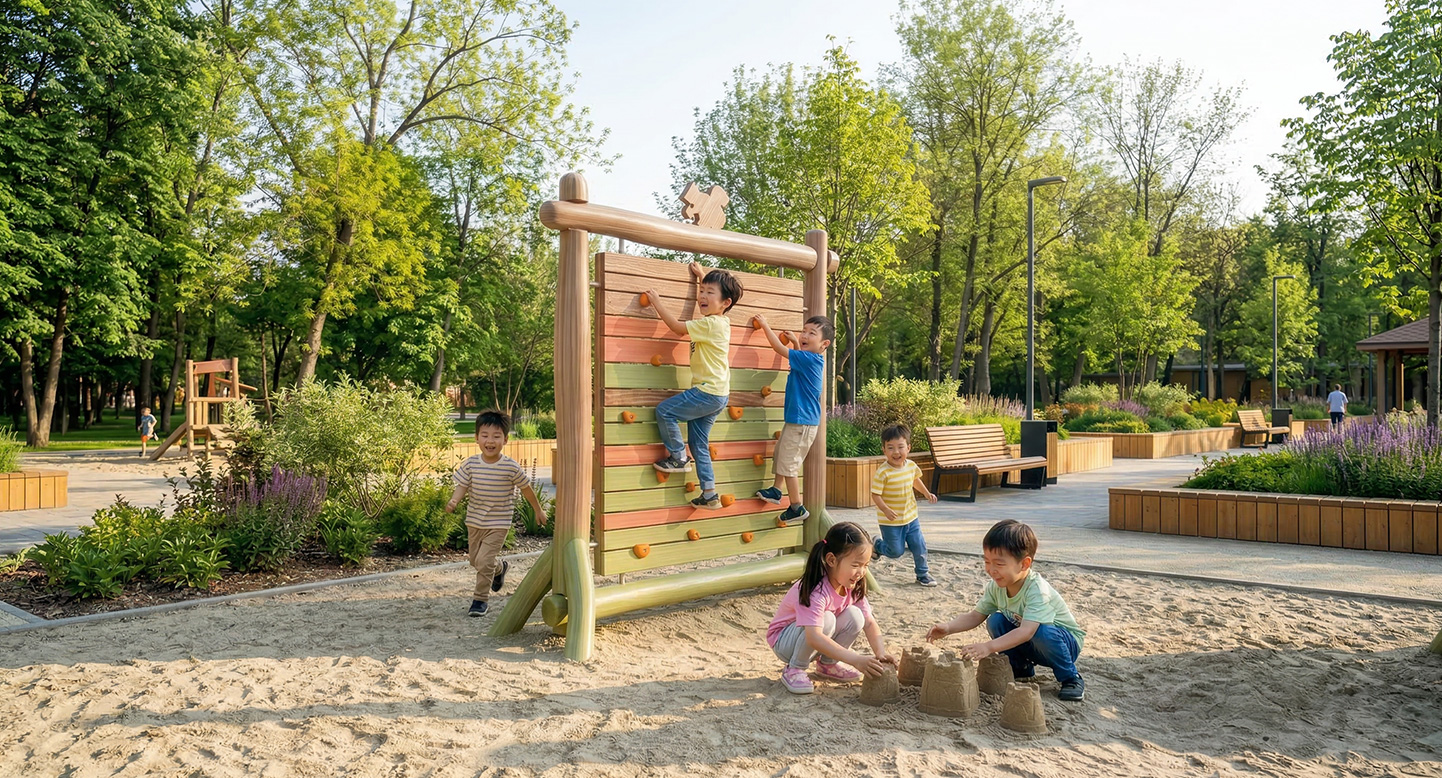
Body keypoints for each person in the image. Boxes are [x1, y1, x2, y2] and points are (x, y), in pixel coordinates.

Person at [926, 519, 1087, 701]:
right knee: (996, 620)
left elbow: (1027, 632)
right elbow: (976, 615)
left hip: (1064, 644)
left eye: (999, 564)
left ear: (1024, 564)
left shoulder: (1037, 590)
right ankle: (1020, 668)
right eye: (987, 562)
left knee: (1042, 631)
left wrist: (988, 647)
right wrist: (948, 628)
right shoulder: (997, 586)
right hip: (1034, 643)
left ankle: (1071, 677)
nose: (991, 570)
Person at [643, 264, 744, 510]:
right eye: (702, 291)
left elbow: (678, 329)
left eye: (710, 293)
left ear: (726, 302)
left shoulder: (711, 324)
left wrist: (656, 302)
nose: (702, 297)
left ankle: (678, 457)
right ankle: (709, 493)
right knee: (699, 444)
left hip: (707, 392)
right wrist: (701, 278)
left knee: (665, 411)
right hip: (718, 394)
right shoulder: (719, 322)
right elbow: (709, 300)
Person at [765, 521, 895, 694]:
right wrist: (856, 659)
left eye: (865, 566)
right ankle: (795, 668)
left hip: (811, 636)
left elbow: (869, 622)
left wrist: (880, 653)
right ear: (832, 560)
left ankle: (828, 665)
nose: (861, 572)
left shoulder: (851, 585)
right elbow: (814, 637)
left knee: (856, 616)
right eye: (855, 565)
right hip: (785, 642)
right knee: (826, 619)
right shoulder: (816, 589)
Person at [445, 410, 544, 617]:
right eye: (485, 435)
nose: (490, 441)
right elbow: (462, 486)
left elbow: (526, 489)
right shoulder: (471, 464)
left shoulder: (510, 467)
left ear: (505, 440)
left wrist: (538, 510)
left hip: (499, 523)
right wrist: (454, 500)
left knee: (483, 562)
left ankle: (480, 600)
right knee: (475, 561)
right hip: (474, 521)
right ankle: (500, 568)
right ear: (477, 438)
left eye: (496, 436)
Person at [752, 314, 832, 525]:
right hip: (798, 420)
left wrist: (765, 325)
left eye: (811, 333)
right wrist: (796, 342)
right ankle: (776, 490)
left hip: (802, 422)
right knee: (782, 454)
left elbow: (779, 349)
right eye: (804, 331)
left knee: (789, 464)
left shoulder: (810, 360)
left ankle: (796, 506)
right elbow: (797, 356)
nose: (805, 335)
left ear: (824, 344)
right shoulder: (808, 359)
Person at [870, 424, 939, 586]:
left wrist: (926, 493)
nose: (896, 452)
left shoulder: (911, 466)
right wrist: (885, 509)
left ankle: (922, 574)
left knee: (919, 545)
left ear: (908, 448)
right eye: (890, 448)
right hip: (890, 521)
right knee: (895, 551)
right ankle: (877, 545)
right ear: (884, 450)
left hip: (911, 517)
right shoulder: (883, 472)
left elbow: (915, 480)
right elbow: (875, 495)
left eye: (900, 447)